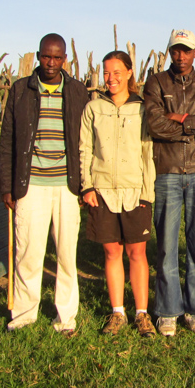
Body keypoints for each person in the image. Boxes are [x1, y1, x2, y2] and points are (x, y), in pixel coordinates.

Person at [0, 33, 88, 335]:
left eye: (57, 57)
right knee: (28, 252)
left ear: (65, 59)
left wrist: (84, 184)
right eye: (46, 56)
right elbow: (8, 139)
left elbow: (86, 140)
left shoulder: (77, 91)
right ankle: (23, 315)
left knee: (66, 254)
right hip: (31, 184)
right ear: (38, 56)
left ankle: (65, 319)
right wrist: (7, 186)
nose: (51, 63)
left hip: (66, 185)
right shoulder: (21, 90)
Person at [144, 29, 195, 336]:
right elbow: (155, 124)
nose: (180, 56)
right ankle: (167, 310)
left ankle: (194, 309)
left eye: (186, 51)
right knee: (165, 245)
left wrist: (179, 118)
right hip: (167, 171)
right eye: (175, 51)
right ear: (169, 52)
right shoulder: (156, 83)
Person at [80, 51, 157, 338]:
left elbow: (148, 151)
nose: (111, 78)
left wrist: (146, 193)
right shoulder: (94, 108)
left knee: (137, 252)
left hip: (134, 190)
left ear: (128, 73)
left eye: (116, 72)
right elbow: (84, 149)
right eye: (106, 73)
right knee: (112, 252)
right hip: (102, 191)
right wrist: (87, 186)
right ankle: (117, 312)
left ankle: (142, 313)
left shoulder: (141, 109)